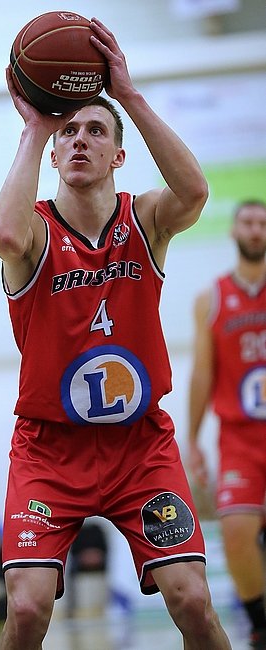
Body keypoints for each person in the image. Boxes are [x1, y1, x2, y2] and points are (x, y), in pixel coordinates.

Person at [0, 16, 231, 650]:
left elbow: (194, 191)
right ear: (53, 152)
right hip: (50, 450)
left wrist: (126, 94)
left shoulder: (144, 218)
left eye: (95, 131)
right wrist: (34, 126)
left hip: (139, 447)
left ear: (118, 155)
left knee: (194, 602)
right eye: (67, 132)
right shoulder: (35, 230)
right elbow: (4, 237)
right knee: (26, 610)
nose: (79, 141)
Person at [187, 199, 266, 650]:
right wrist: (192, 438)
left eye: (262, 224)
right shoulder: (211, 298)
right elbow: (202, 373)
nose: (255, 230)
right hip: (238, 436)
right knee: (236, 531)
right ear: (234, 232)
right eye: (247, 223)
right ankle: (259, 623)